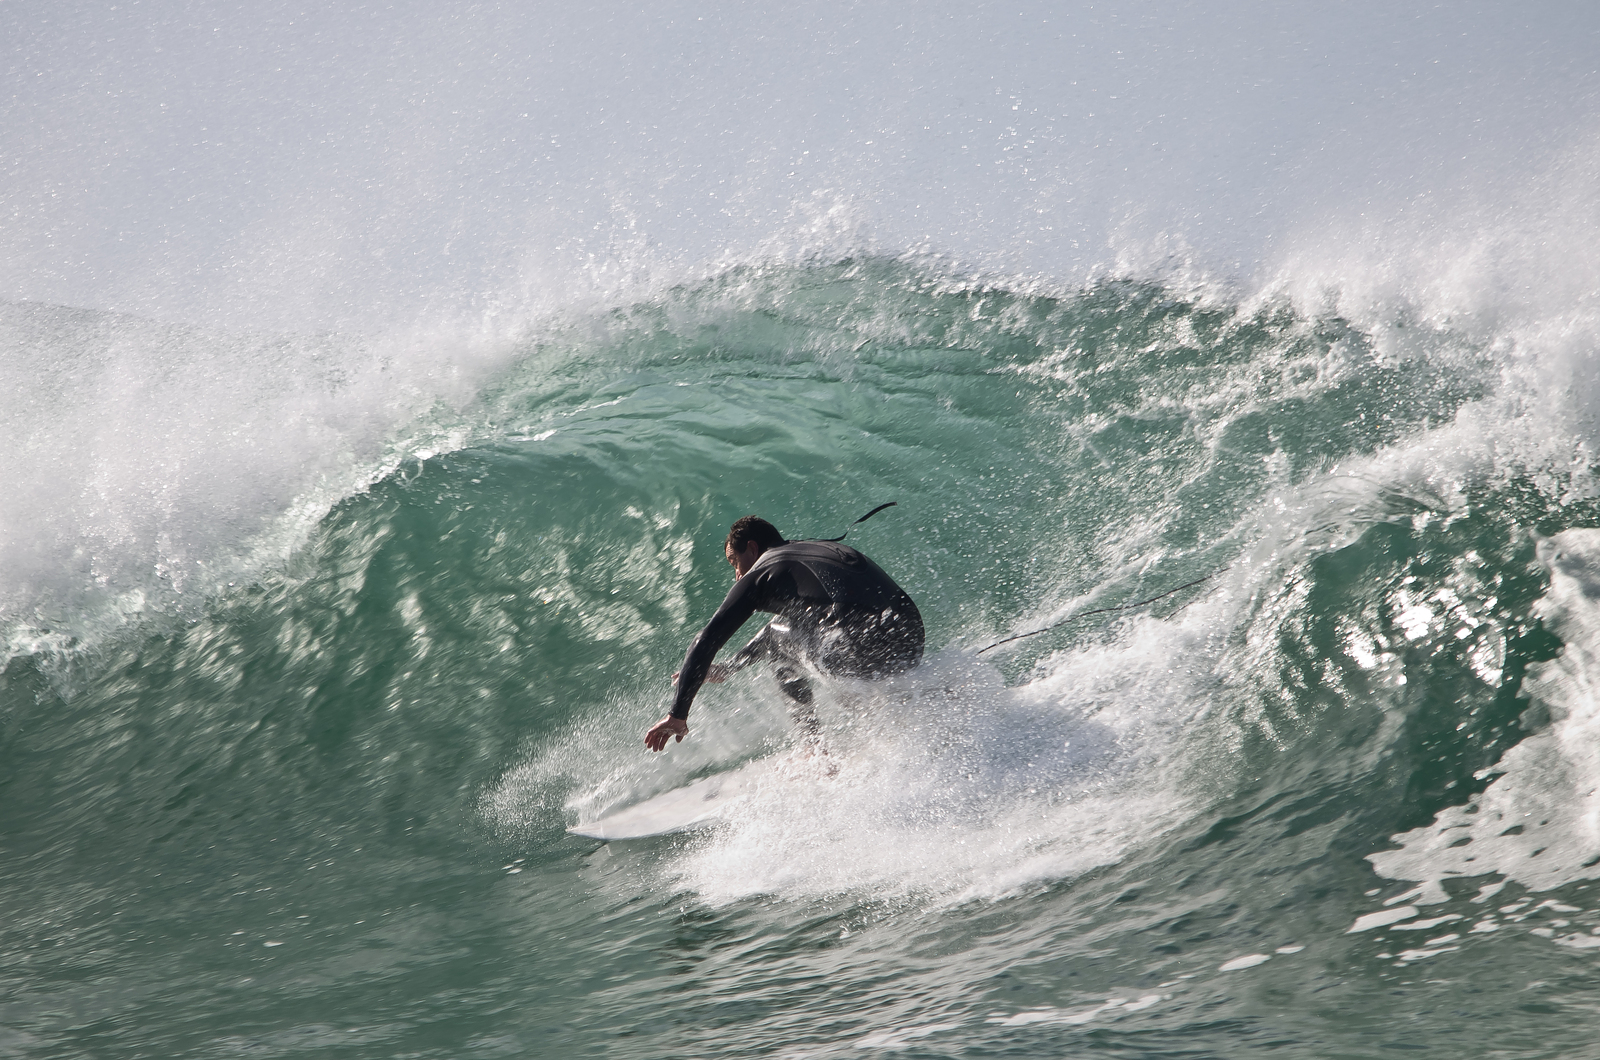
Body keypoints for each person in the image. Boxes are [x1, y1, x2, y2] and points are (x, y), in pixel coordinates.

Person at [645, 516, 924, 751]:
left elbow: (705, 640)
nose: (737, 576)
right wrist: (729, 668)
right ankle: (905, 710)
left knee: (781, 642)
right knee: (787, 630)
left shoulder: (762, 570)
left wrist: (678, 714)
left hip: (856, 649)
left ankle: (814, 749)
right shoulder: (818, 549)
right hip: (908, 637)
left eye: (734, 563)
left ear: (752, 549)